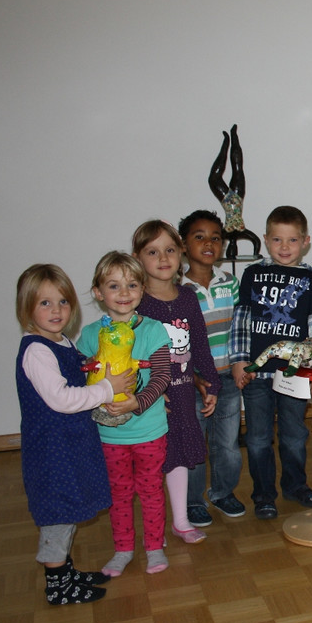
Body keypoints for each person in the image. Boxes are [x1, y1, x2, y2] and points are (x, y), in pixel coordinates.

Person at [16, 264, 134, 604]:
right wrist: (108, 388)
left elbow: (77, 374)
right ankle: (57, 586)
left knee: (67, 512)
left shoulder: (60, 342)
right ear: (26, 307)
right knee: (58, 514)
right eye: (45, 303)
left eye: (63, 302)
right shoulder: (37, 350)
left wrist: (94, 366)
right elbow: (62, 399)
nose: (57, 310)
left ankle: (65, 572)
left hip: (69, 445)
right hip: (52, 450)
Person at [229, 205, 312, 519]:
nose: (284, 247)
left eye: (292, 240)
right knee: (258, 437)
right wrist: (239, 360)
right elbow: (241, 320)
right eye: (277, 240)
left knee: (294, 434)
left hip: (293, 374)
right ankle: (263, 495)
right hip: (256, 374)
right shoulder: (252, 274)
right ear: (265, 240)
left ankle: (296, 485)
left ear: (305, 242)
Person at [78, 252, 172, 576]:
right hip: (108, 434)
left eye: (132, 285)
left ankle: (155, 547)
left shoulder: (154, 330)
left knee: (151, 491)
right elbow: (82, 377)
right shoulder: (90, 335)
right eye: (114, 285)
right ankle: (123, 550)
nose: (124, 293)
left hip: (149, 430)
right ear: (98, 292)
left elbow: (162, 376)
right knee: (118, 494)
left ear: (142, 289)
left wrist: (137, 403)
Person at [133, 220, 221, 544]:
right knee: (152, 463)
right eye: (152, 252)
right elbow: (131, 355)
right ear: (137, 258)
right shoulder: (137, 304)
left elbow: (200, 345)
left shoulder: (187, 297)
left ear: (181, 252)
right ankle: (154, 527)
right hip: (154, 400)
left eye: (169, 250)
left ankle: (181, 521)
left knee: (180, 456)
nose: (163, 258)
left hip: (182, 394)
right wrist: (147, 392)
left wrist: (211, 382)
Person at [178, 211, 246, 524]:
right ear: (183, 245)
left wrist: (240, 363)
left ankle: (222, 492)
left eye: (215, 238)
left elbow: (239, 329)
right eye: (199, 237)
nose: (208, 243)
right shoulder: (178, 289)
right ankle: (193, 501)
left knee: (227, 443)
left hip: (228, 377)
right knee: (194, 442)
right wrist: (193, 376)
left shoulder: (230, 283)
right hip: (192, 381)